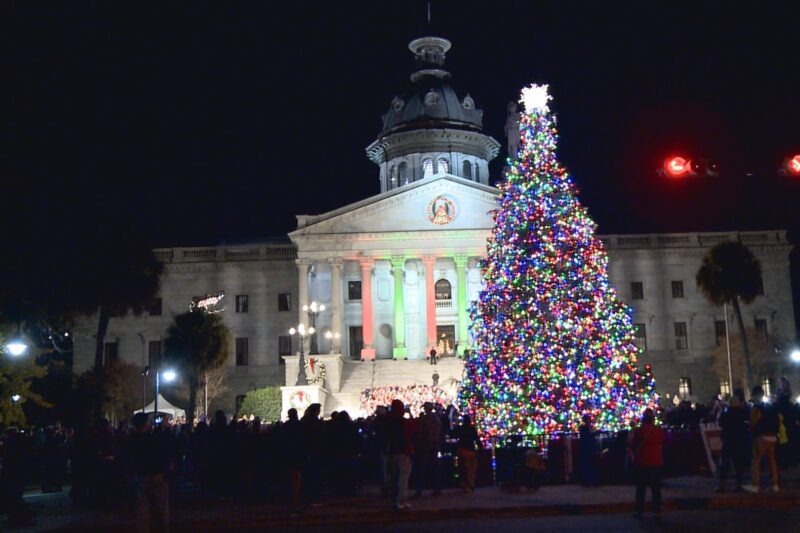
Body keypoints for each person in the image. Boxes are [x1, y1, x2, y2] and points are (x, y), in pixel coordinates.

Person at [126, 412, 172, 533]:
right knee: (161, 512)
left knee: (143, 513)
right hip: (157, 476)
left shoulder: (132, 440)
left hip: (140, 477)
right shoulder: (155, 438)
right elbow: (166, 454)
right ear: (146, 424)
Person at [743, 385, 780, 493]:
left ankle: (755, 484)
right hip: (772, 436)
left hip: (761, 437)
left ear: (754, 395)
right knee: (772, 460)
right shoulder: (770, 406)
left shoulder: (756, 407)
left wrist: (749, 424)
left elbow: (753, 422)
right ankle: (775, 484)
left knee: (756, 459)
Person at [629, 408, 663, 518]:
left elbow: (633, 443)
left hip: (643, 461)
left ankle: (639, 510)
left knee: (641, 488)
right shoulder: (658, 430)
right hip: (656, 461)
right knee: (656, 488)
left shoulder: (640, 430)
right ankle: (656, 509)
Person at [715, 389, 747, 492]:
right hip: (739, 440)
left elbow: (720, 423)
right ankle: (739, 484)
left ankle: (722, 484)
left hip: (728, 440)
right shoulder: (742, 413)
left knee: (725, 462)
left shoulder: (726, 413)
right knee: (738, 463)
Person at [385, 399, 414, 509]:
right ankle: (401, 500)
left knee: (394, 477)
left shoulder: (388, 421)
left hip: (392, 452)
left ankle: (396, 499)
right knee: (403, 478)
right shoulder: (403, 422)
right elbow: (412, 431)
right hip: (403, 452)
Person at [415, 402, 442, 497]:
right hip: (434, 445)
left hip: (425, 446)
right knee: (435, 469)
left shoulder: (424, 419)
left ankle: (419, 490)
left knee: (422, 469)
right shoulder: (436, 419)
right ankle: (437, 489)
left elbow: (420, 432)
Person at [454, 415, 481, 493]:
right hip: (470, 451)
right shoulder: (472, 429)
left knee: (463, 469)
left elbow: (453, 434)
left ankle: (465, 484)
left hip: (462, 450)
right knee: (471, 469)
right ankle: (470, 484)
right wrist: (479, 449)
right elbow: (476, 439)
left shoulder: (461, 428)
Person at [578, 414, 598, 486]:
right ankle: (589, 481)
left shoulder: (584, 428)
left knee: (588, 465)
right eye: (589, 420)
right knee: (589, 465)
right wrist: (595, 433)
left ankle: (588, 481)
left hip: (586, 448)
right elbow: (588, 437)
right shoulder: (585, 428)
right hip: (587, 449)